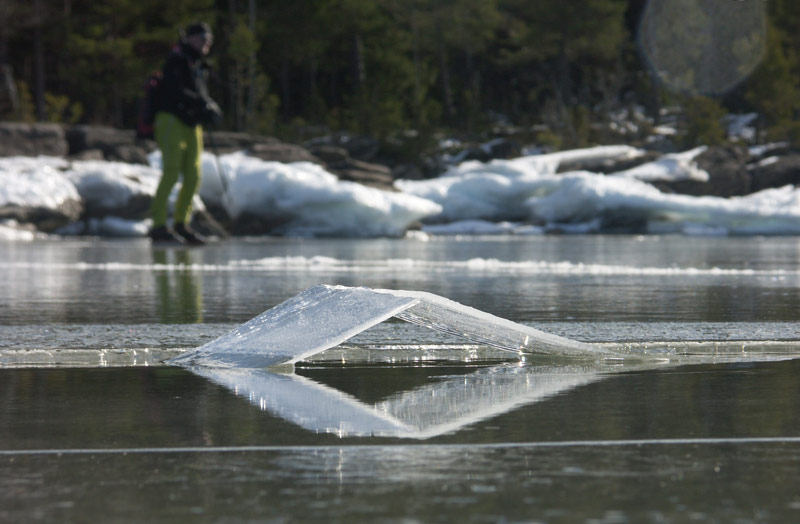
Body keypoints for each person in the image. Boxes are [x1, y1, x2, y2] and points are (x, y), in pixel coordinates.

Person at [149, 21, 222, 245]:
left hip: (192, 124)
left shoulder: (199, 64)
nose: (205, 43)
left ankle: (182, 224)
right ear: (190, 38)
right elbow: (174, 90)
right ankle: (159, 225)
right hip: (170, 119)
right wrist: (201, 104)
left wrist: (206, 109)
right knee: (171, 171)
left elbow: (197, 93)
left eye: (208, 39)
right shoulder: (177, 60)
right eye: (202, 38)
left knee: (193, 175)